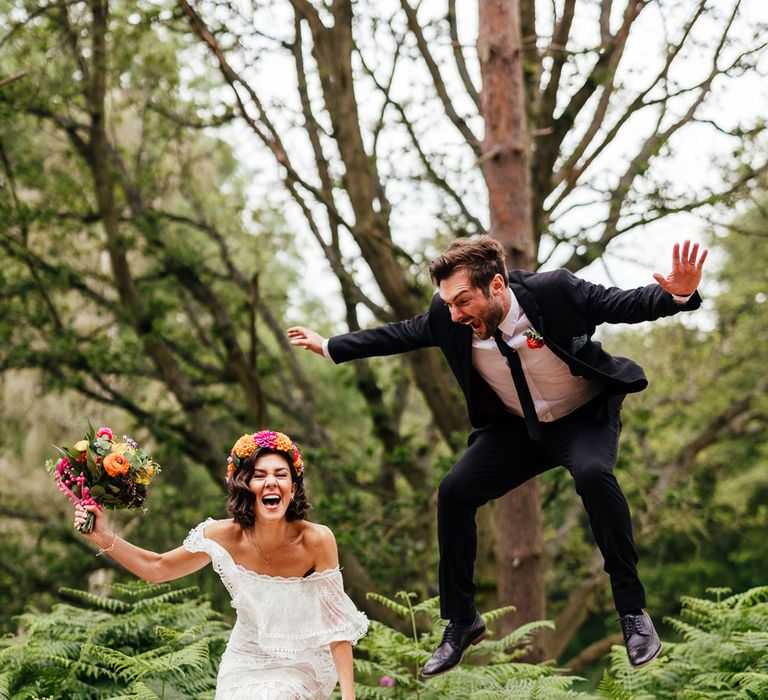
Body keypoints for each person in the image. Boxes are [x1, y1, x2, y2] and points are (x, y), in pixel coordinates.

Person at [287, 237, 708, 676]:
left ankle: (633, 613)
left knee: (592, 474)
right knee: (453, 491)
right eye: (448, 303)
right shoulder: (448, 319)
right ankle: (462, 621)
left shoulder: (555, 292)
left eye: (463, 301)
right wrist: (331, 345)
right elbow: (401, 334)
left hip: (583, 417)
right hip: (517, 430)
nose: (455, 314)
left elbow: (624, 303)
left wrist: (676, 293)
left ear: (497, 285)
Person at [74, 429, 368, 699]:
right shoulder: (220, 536)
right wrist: (103, 537)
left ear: (293, 488)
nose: (271, 482)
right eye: (259, 475)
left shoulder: (317, 540)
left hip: (304, 660)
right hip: (245, 658)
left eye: (281, 475)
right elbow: (158, 568)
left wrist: (348, 697)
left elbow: (337, 627)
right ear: (244, 486)